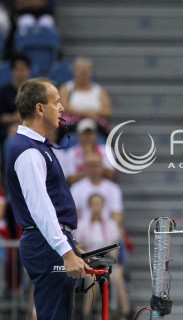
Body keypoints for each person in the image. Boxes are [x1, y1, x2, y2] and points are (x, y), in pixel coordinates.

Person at [5, 78, 91, 319]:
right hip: (45, 245)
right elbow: (40, 207)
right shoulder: (29, 151)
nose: (62, 108)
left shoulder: (36, 147)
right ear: (40, 109)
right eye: (57, 102)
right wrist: (65, 251)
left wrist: (69, 244)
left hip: (47, 243)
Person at [75, 193, 130, 319]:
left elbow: (116, 247)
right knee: (92, 279)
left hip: (106, 261)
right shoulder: (82, 225)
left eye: (99, 204)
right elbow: (78, 248)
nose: (96, 207)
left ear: (103, 206)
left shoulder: (111, 225)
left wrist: (109, 258)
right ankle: (88, 313)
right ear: (89, 206)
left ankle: (123, 313)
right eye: (94, 204)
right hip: (88, 262)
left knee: (117, 276)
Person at [58, 57, 113, 138]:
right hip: (73, 125)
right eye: (80, 70)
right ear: (74, 72)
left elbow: (108, 111)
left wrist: (94, 114)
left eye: (86, 71)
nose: (83, 73)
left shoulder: (99, 91)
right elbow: (63, 107)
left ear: (91, 72)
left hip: (94, 123)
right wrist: (85, 113)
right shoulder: (66, 88)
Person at [63, 117, 116, 185]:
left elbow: (111, 175)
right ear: (78, 136)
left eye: (90, 134)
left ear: (96, 135)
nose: (87, 137)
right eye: (84, 134)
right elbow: (70, 180)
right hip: (79, 189)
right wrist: (93, 168)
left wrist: (93, 161)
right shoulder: (70, 153)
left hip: (104, 188)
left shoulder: (106, 151)